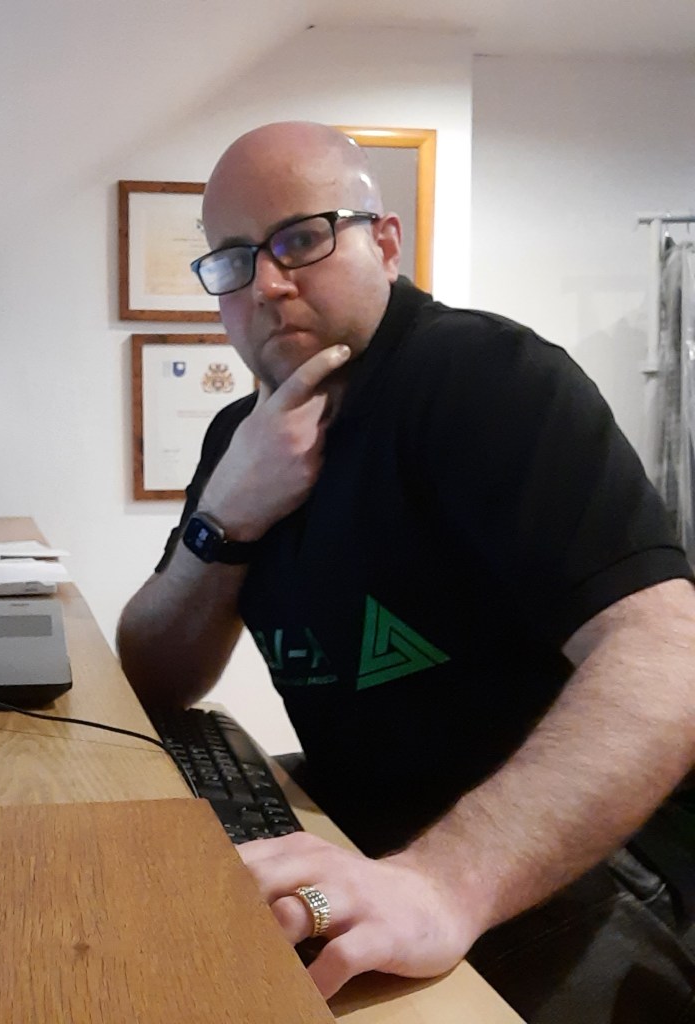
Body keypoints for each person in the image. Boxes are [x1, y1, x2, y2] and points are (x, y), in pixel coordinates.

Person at [115, 120, 695, 1022]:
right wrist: (226, 520)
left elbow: (671, 654)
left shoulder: (487, 377)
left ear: (386, 243)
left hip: (566, 869)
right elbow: (155, 674)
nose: (266, 283)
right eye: (232, 259)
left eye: (301, 238)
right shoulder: (240, 435)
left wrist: (441, 884)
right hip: (364, 836)